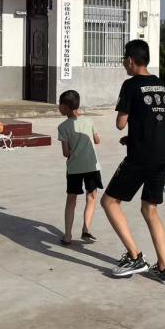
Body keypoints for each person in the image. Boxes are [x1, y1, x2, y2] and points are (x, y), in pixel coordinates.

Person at [101, 39, 165, 285]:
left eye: (124, 59)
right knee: (150, 209)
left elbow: (120, 123)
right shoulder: (160, 84)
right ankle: (164, 268)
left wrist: (130, 130)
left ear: (131, 60)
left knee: (109, 202)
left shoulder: (130, 85)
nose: (124, 63)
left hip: (141, 156)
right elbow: (159, 120)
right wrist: (133, 138)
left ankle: (135, 257)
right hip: (163, 155)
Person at [57, 89, 103, 246]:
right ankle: (86, 229)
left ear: (65, 107)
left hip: (74, 168)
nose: (58, 107)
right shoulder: (89, 121)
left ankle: (67, 236)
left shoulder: (63, 127)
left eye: (60, 104)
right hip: (91, 166)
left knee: (71, 199)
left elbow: (65, 153)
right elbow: (97, 140)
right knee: (91, 196)